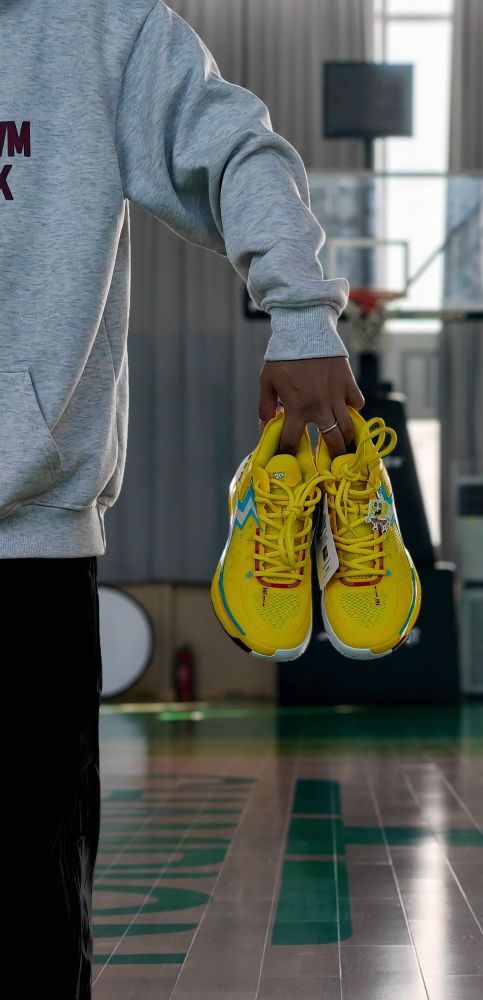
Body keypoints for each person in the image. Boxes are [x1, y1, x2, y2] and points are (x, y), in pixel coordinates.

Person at [0, 1, 362, 994]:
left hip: (22, 552)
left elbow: (240, 150)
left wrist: (301, 311)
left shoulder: (102, 29)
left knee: (26, 922)